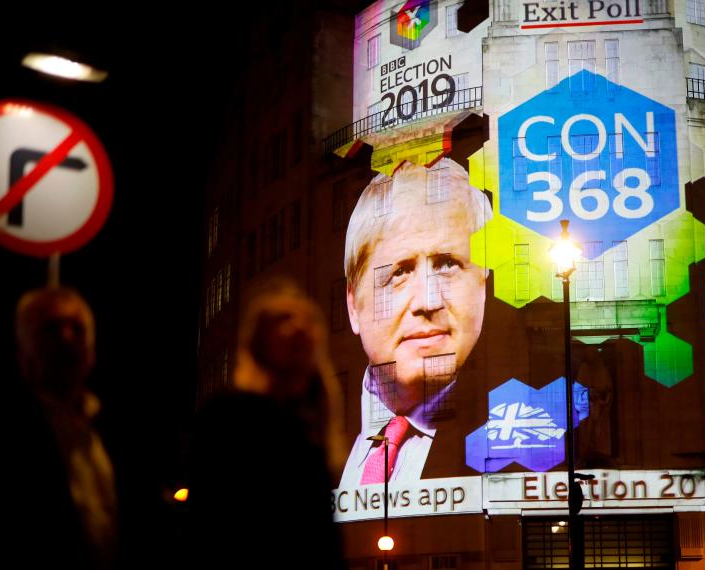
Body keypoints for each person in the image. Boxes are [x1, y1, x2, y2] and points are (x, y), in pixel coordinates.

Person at [339, 157, 493, 487]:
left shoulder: (519, 443)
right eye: (400, 273)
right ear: (354, 305)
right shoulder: (315, 439)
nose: (428, 301)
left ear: (483, 283)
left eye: (448, 264)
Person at [0, 286, 117, 569]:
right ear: (23, 353)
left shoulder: (109, 432)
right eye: (50, 329)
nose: (65, 338)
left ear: (92, 353)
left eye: (77, 328)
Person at [186, 279, 346, 569]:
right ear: (258, 342)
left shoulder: (313, 423)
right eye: (283, 319)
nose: (298, 328)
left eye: (306, 320)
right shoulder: (227, 416)